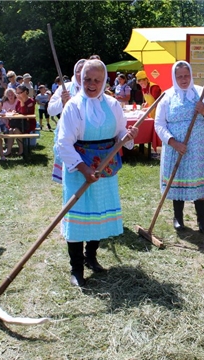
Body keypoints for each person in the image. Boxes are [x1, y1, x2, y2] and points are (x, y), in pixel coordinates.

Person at [56, 59, 138, 287]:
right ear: (80, 79)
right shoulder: (73, 106)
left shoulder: (113, 105)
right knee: (79, 215)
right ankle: (76, 268)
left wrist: (128, 136)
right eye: (87, 79)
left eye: (96, 80)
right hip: (78, 169)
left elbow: (120, 134)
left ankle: (91, 257)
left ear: (104, 82)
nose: (91, 84)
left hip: (105, 168)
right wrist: (83, 169)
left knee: (98, 213)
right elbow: (64, 144)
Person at [154, 61, 204, 234]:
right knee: (177, 177)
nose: (183, 79)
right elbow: (159, 124)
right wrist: (173, 142)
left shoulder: (201, 93)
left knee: (198, 177)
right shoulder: (167, 96)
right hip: (176, 147)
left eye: (186, 75)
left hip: (199, 146)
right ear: (174, 77)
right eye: (179, 76)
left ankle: (202, 219)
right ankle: (178, 218)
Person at [49, 59, 86, 184]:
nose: (80, 74)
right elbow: (50, 110)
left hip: (85, 136)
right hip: (66, 133)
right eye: (78, 71)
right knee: (69, 174)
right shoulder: (65, 88)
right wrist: (62, 101)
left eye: (83, 71)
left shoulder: (93, 88)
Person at [4, 84, 35, 156]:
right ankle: (8, 150)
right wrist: (13, 112)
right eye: (17, 93)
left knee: (15, 130)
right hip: (19, 123)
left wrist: (22, 101)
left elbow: (24, 113)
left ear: (25, 92)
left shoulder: (31, 101)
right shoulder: (18, 101)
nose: (18, 95)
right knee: (11, 130)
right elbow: (18, 111)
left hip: (28, 124)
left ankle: (21, 150)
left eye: (19, 93)